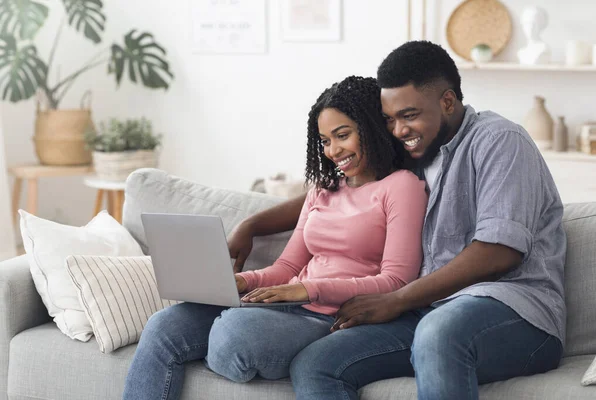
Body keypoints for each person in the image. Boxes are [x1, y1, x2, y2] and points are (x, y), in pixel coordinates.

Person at [228, 41, 566, 400]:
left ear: (447, 102)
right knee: (317, 362)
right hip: (429, 310)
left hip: (517, 314)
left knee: (439, 332)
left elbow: (499, 252)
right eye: (389, 119)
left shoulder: (499, 140)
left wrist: (399, 298)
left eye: (409, 115)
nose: (399, 129)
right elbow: (332, 193)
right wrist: (252, 225)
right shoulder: (416, 152)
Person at [122, 76, 428, 399]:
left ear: (370, 128)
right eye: (324, 140)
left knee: (231, 336)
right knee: (162, 326)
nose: (333, 150)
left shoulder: (402, 187)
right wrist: (242, 282)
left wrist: (308, 288)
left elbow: (397, 281)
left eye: (342, 135)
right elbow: (286, 267)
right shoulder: (322, 190)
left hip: (333, 317)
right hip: (289, 303)